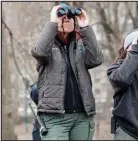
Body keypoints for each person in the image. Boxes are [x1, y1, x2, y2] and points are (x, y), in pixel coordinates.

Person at [31, 3, 104, 140]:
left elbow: (96, 59)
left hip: (82, 116)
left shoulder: (80, 43)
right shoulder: (47, 45)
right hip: (55, 117)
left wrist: (85, 27)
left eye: (70, 17)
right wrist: (53, 21)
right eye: (62, 17)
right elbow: (39, 53)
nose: (67, 19)